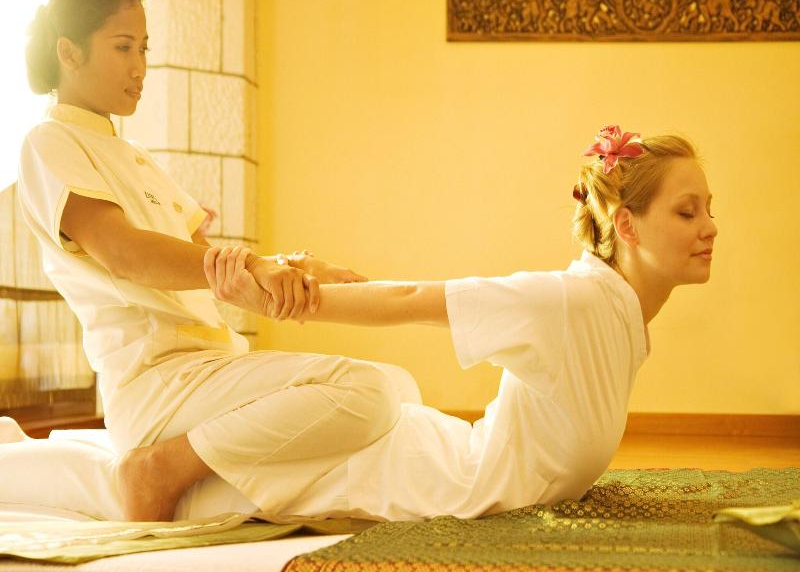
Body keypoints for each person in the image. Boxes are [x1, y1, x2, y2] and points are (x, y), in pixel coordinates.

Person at [15, 0, 408, 522]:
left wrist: (297, 269)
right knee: (369, 390)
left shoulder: (136, 159)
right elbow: (126, 255)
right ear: (68, 52)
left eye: (144, 48)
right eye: (123, 47)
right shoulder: (49, 142)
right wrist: (258, 265)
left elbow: (215, 267)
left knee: (398, 387)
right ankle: (158, 469)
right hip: (157, 382)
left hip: (210, 367)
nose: (140, 67)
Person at [167, 126, 719, 522]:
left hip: (451, 463)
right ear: (627, 226)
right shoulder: (571, 302)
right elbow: (412, 298)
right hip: (439, 484)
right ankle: (163, 466)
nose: (711, 227)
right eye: (687, 211)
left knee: (388, 397)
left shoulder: (619, 311)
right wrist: (283, 301)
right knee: (218, 498)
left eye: (709, 209)